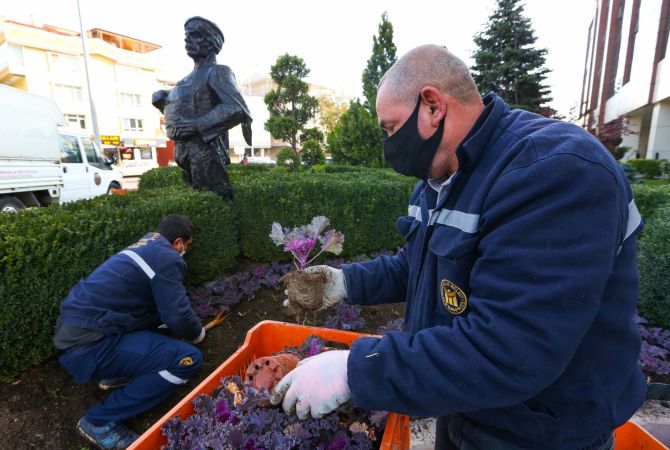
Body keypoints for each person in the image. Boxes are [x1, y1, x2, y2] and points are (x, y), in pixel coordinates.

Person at [270, 45, 645, 450]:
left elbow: (511, 348)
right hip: (464, 402)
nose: (388, 145)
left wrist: (356, 371)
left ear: (432, 106)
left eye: (391, 128)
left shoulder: (554, 171)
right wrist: (342, 283)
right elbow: (414, 265)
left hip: (539, 429)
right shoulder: (438, 178)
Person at [54, 214, 207, 449]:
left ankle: (115, 374)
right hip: (89, 345)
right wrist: (198, 335)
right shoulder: (167, 257)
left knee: (160, 322)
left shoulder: (147, 244)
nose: (186, 250)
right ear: (178, 243)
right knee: (188, 360)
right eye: (188, 245)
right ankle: (98, 421)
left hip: (78, 331)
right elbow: (177, 314)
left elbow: (164, 313)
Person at [152, 17, 252, 201]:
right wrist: (163, 102)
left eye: (195, 35)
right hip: (182, 151)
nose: (187, 40)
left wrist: (198, 125)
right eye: (187, 35)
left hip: (205, 152)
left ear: (211, 42)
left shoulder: (218, 71)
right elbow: (187, 111)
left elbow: (236, 108)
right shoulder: (185, 80)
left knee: (214, 202)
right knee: (197, 203)